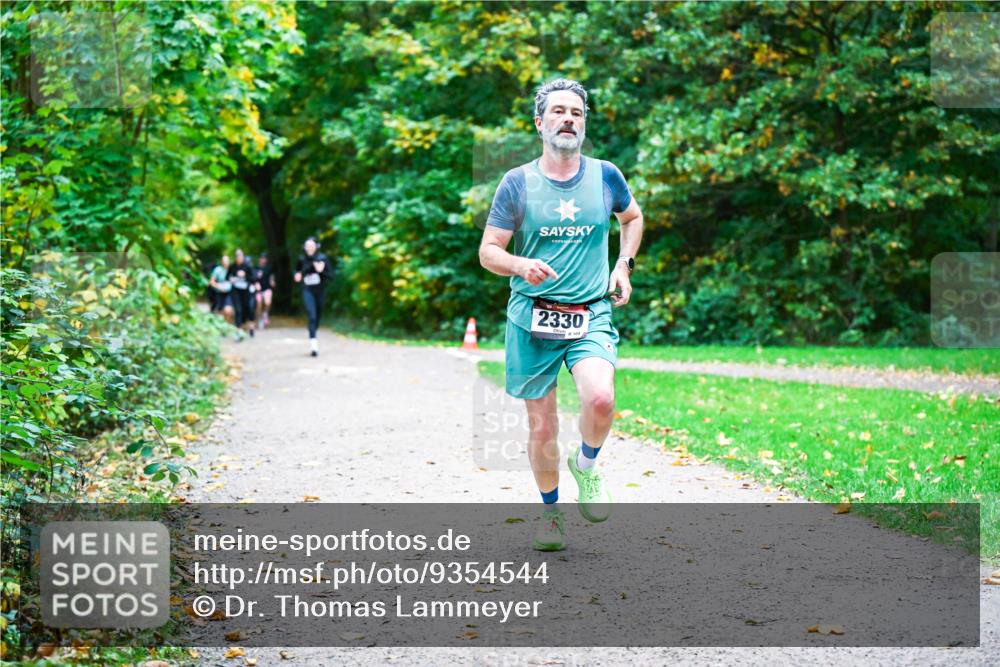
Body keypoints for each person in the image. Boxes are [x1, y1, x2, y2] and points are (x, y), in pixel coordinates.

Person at [478, 79, 643, 551]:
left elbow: (632, 219)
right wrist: (519, 264)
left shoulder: (606, 175)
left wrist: (623, 266)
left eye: (577, 112)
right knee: (543, 426)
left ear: (584, 124)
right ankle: (550, 514)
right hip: (532, 317)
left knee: (600, 400)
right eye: (558, 112)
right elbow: (488, 251)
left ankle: (587, 466)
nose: (568, 119)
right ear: (540, 122)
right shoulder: (517, 182)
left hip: (590, 311)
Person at [293, 237, 332, 357]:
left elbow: (331, 276)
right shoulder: (302, 259)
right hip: (307, 291)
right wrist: (297, 275)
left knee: (317, 317)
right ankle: (314, 347)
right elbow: (297, 271)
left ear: (316, 247)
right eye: (307, 246)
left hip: (320, 291)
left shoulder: (322, 259)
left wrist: (321, 271)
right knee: (312, 316)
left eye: (311, 246)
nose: (309, 248)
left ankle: (313, 330)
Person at [227, 248, 256, 341]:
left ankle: (251, 327)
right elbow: (227, 277)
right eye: (237, 256)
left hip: (246, 291)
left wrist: (245, 275)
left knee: (248, 308)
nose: (238, 258)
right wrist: (232, 279)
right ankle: (238, 331)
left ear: (243, 257)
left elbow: (253, 279)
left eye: (240, 256)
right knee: (238, 310)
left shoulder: (247, 266)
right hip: (235, 291)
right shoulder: (232, 266)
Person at [209, 254, 234, 323]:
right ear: (221, 261)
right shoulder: (217, 270)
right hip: (219, 293)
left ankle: (228, 324)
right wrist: (217, 286)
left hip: (229, 293)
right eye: (224, 261)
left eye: (226, 261)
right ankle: (224, 325)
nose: (225, 262)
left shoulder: (232, 269)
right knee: (221, 312)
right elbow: (211, 281)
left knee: (228, 310)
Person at [254, 253, 275, 330]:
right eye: (262, 258)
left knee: (267, 302)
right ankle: (260, 319)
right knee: (259, 304)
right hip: (258, 290)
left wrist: (272, 281)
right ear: (259, 259)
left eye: (264, 258)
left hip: (267, 288)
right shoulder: (255, 268)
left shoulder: (269, 268)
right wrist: (256, 283)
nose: (263, 260)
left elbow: (271, 276)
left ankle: (265, 313)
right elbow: (253, 278)